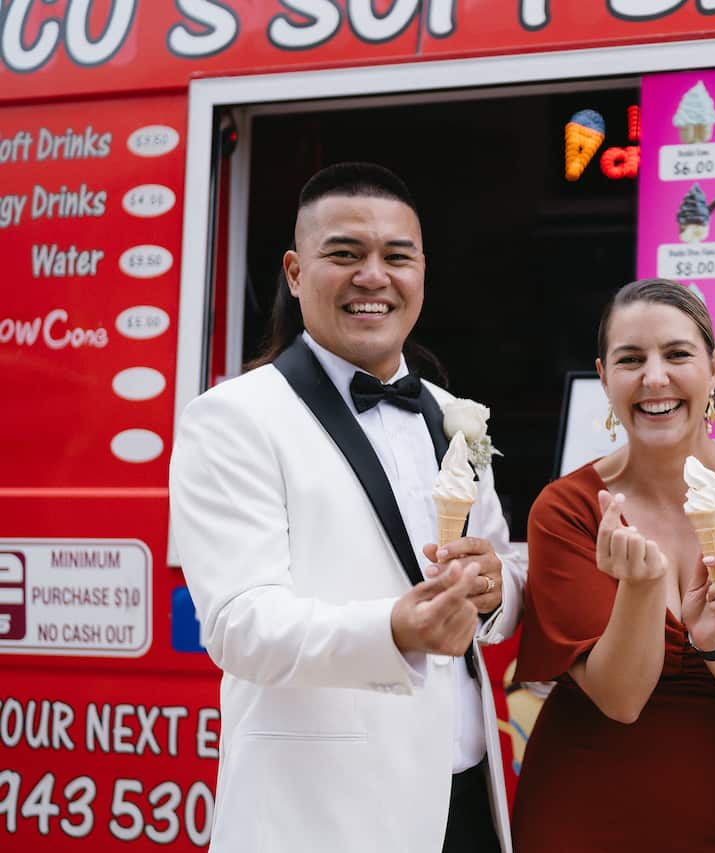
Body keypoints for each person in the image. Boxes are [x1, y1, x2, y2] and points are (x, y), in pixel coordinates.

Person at [169, 162, 524, 853]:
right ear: (295, 272)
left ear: (422, 273)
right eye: (345, 253)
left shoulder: (453, 414)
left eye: (397, 256)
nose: (373, 276)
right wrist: (395, 628)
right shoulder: (233, 416)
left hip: (468, 797)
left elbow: (504, 575)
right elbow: (241, 624)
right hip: (328, 813)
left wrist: (493, 589)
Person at [511, 278, 715, 852]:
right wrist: (642, 590)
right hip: (578, 810)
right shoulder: (566, 509)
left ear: (714, 366)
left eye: (677, 354)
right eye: (630, 359)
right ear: (604, 376)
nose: (654, 378)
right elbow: (620, 698)